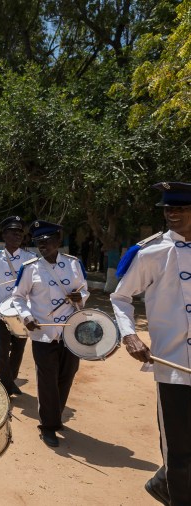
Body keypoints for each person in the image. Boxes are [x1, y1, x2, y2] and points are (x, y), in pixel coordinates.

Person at [110, 182, 191, 505]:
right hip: (172, 365)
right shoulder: (151, 252)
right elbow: (120, 296)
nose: (172, 213)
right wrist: (129, 334)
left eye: (181, 208)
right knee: (180, 449)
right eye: (168, 209)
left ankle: (162, 482)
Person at [11, 220, 89, 448]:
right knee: (47, 379)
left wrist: (80, 297)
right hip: (43, 333)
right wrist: (27, 317)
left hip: (71, 331)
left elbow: (84, 289)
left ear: (58, 241)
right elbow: (18, 297)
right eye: (38, 242)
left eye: (47, 240)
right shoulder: (31, 268)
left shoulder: (74, 264)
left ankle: (55, 415)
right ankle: (48, 426)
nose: (43, 245)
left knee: (68, 374)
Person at [0, 216, 37, 395]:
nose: (17, 236)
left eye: (20, 232)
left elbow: (36, 285)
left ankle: (9, 380)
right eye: (13, 232)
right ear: (4, 235)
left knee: (19, 348)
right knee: (3, 349)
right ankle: (6, 386)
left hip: (22, 312)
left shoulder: (31, 258)